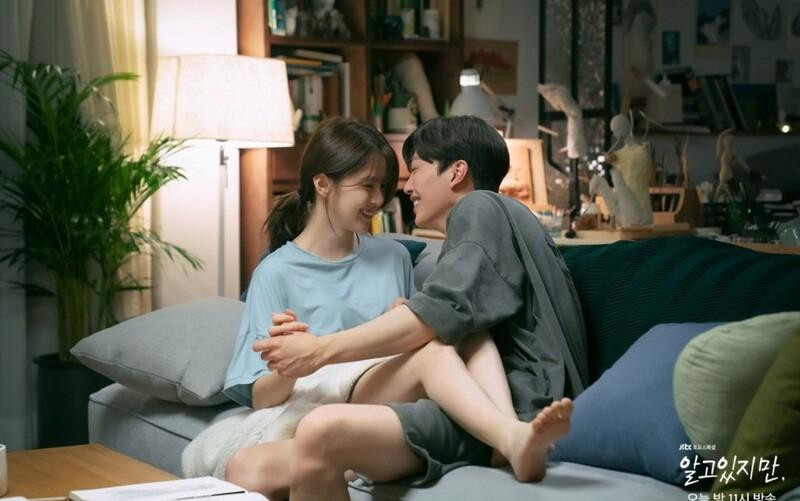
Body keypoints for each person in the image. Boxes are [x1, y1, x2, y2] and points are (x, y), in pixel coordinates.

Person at [224, 117, 574, 500]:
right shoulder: (275, 272)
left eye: (408, 174)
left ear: (456, 172)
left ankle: (506, 435)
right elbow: (261, 393)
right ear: (322, 184)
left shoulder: (402, 251)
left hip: (390, 387)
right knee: (246, 468)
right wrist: (292, 364)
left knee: (440, 342)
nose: (393, 194)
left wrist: (326, 347)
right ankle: (497, 436)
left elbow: (436, 325)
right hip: (333, 394)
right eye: (368, 186)